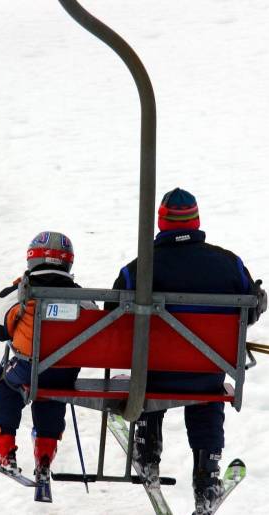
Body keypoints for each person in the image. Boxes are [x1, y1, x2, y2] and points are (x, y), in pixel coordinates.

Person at [105, 188, 267, 514]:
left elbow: (112, 316)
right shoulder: (229, 264)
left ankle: (147, 450)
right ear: (196, 221)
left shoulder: (138, 269)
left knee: (150, 373)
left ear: (161, 224)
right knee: (207, 392)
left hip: (154, 378)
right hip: (206, 377)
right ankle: (207, 479)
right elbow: (250, 309)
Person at [0, 231, 97, 478]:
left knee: (8, 384)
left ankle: (2, 447)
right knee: (53, 394)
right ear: (68, 262)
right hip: (64, 373)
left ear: (31, 259)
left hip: (27, 367)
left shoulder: (21, 292)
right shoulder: (83, 298)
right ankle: (45, 453)